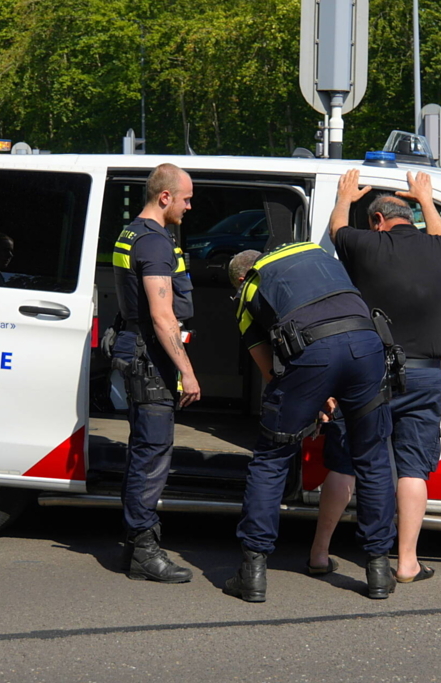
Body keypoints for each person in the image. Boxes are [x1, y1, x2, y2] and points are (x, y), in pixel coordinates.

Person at [307, 169, 441, 583]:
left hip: (368, 374)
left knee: (345, 463)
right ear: (410, 218)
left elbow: (337, 228)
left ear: (376, 221)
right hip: (424, 377)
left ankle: (319, 552)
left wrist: (344, 197)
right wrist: (426, 198)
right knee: (412, 470)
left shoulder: (365, 245)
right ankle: (407, 561)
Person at [223, 243, 397, 602]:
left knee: (272, 457)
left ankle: (252, 572)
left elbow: (269, 369)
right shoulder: (313, 255)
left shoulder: (250, 288)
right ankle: (379, 568)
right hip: (367, 345)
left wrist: (311, 397)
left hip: (312, 352)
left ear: (241, 278)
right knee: (372, 456)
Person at [111, 163, 201, 583]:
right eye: (185, 198)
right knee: (151, 458)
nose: (189, 205)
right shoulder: (153, 243)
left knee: (142, 453)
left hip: (138, 351)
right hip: (152, 359)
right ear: (164, 197)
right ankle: (145, 551)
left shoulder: (133, 232)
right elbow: (162, 316)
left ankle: (134, 544)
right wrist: (188, 372)